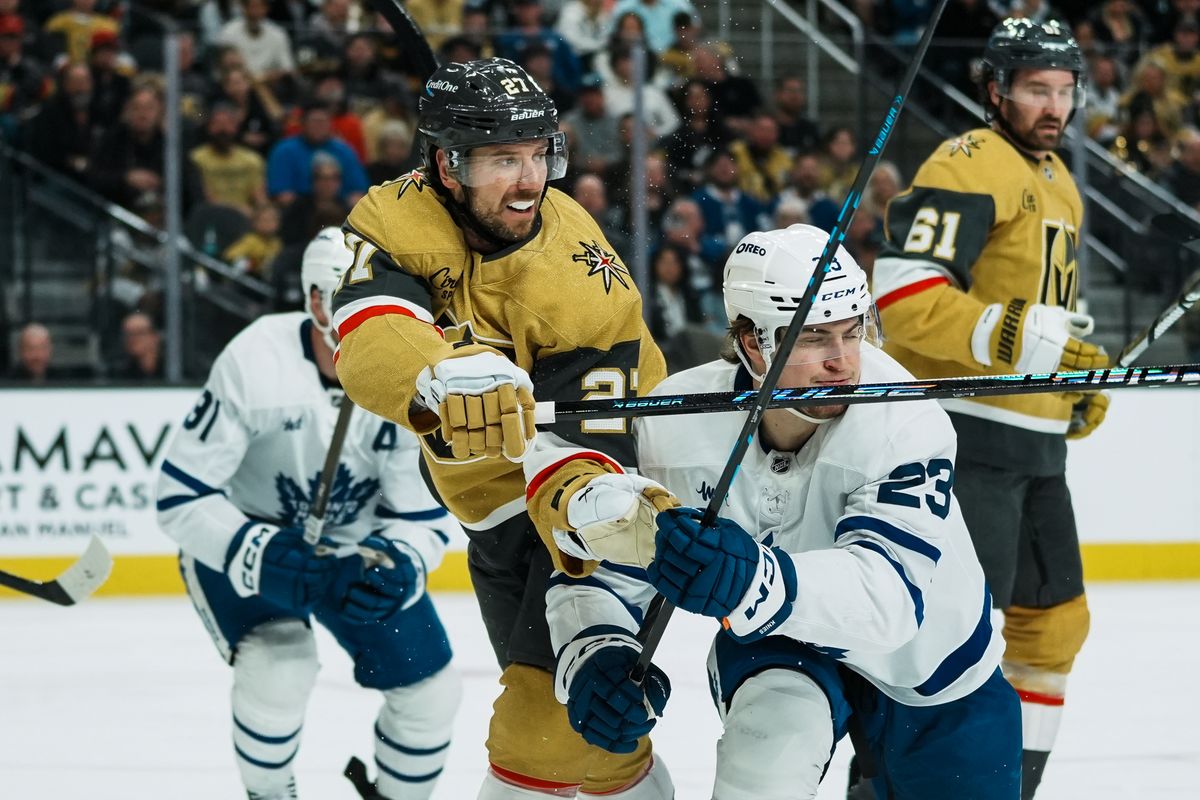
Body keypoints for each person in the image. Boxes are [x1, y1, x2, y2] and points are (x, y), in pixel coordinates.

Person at [529, 224, 1021, 800]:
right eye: (813, 338)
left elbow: (888, 602)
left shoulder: (906, 420)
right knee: (763, 768)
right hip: (782, 642)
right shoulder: (675, 425)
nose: (842, 362)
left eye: (852, 331)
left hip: (934, 668)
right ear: (751, 341)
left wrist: (751, 577)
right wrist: (597, 650)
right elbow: (606, 570)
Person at [330, 58, 671, 800]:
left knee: (541, 729)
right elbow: (364, 335)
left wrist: (593, 504)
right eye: (502, 158)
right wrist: (435, 371)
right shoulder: (393, 215)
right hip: (492, 514)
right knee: (598, 739)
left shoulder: (578, 283)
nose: (529, 181)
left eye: (539, 154)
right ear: (445, 165)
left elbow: (596, 454)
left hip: (594, 504)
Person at [872, 18, 1108, 798]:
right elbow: (902, 298)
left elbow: (1043, 323)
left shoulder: (1059, 180)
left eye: (1065, 91)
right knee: (937, 643)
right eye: (1038, 88)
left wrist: (1071, 380)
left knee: (1054, 630)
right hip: (966, 438)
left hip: (1036, 451)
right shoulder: (969, 162)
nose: (1054, 106)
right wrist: (1013, 339)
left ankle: (1009, 787)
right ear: (996, 89)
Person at [156, 229, 462, 800]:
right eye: (350, 296)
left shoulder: (416, 375)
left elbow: (421, 517)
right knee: (280, 665)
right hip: (249, 547)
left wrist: (399, 565)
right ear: (316, 301)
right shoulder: (255, 360)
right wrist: (253, 551)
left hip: (354, 555)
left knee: (431, 692)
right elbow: (180, 497)